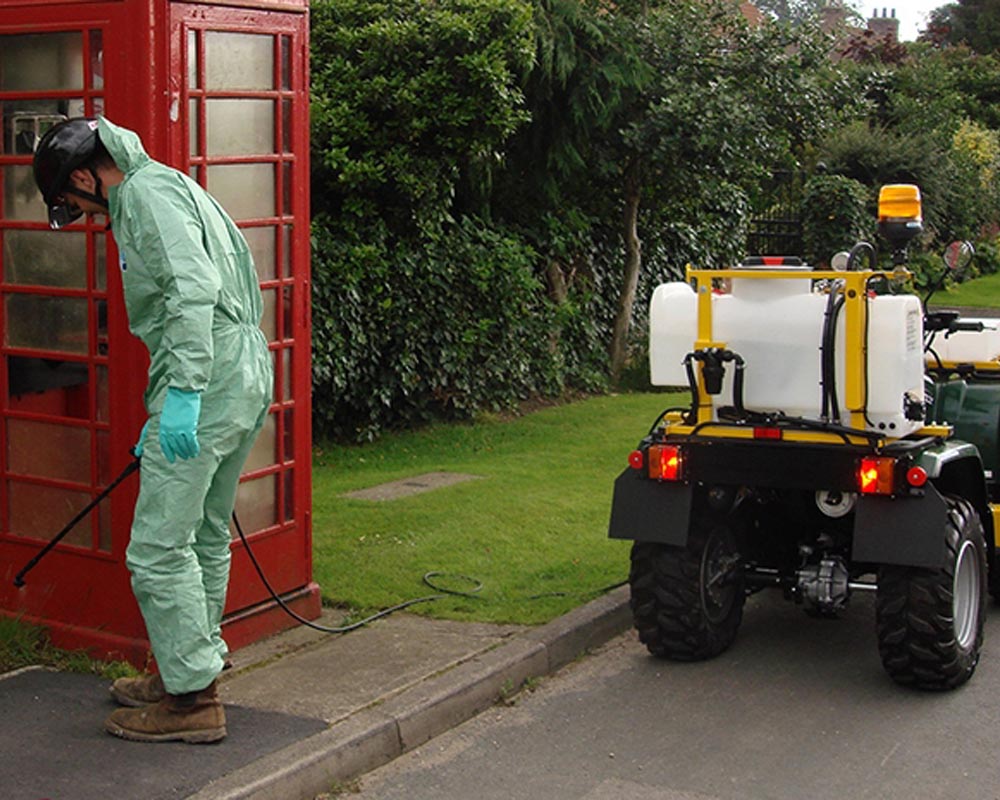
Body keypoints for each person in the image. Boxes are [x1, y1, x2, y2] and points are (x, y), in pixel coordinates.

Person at [32, 117, 273, 744]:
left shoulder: (140, 197)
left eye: (76, 204)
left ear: (85, 176)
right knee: (205, 534)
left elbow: (191, 294)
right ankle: (184, 669)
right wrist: (170, 401)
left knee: (157, 547)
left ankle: (191, 699)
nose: (87, 217)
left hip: (209, 374)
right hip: (243, 367)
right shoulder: (170, 184)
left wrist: (186, 394)